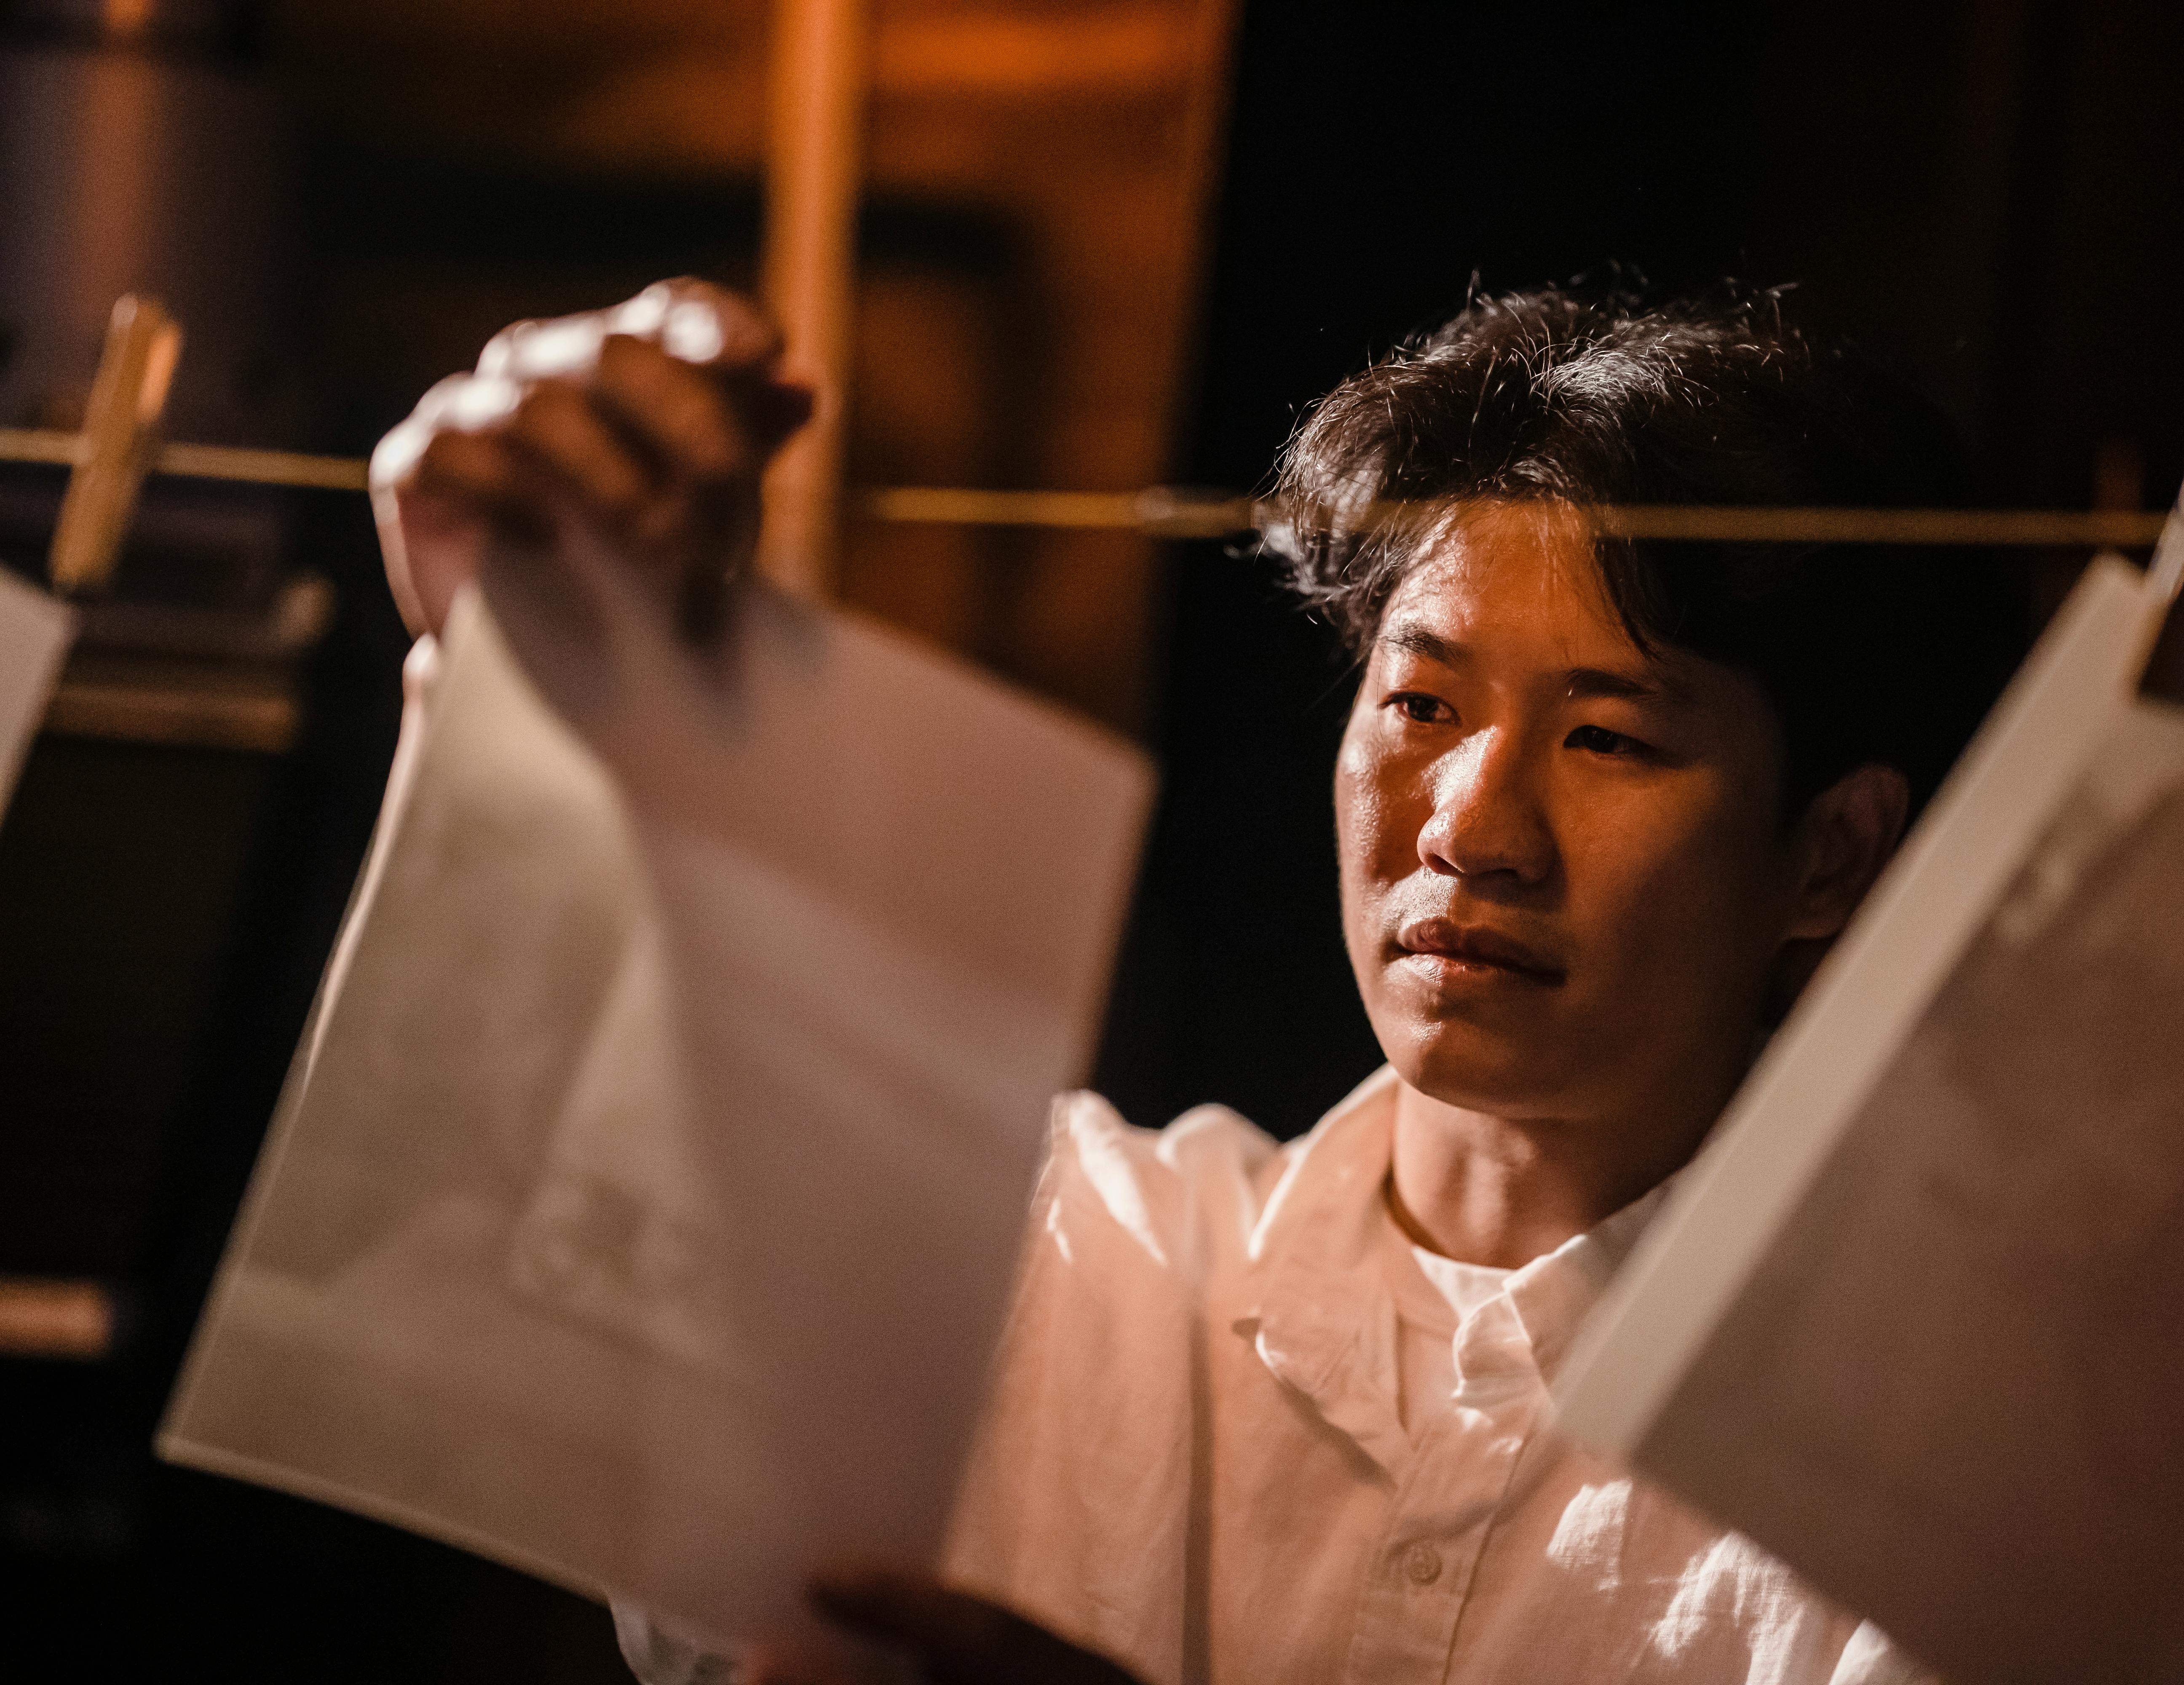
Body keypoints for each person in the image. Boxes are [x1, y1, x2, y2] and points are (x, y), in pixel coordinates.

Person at [376, 278, 2020, 1685]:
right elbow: (504, 1238)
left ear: (1829, 851)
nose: (1473, 824)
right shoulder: (1046, 1252)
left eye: (1606, 736)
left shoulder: (1932, 1481)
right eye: (1423, 706)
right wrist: (520, 663)